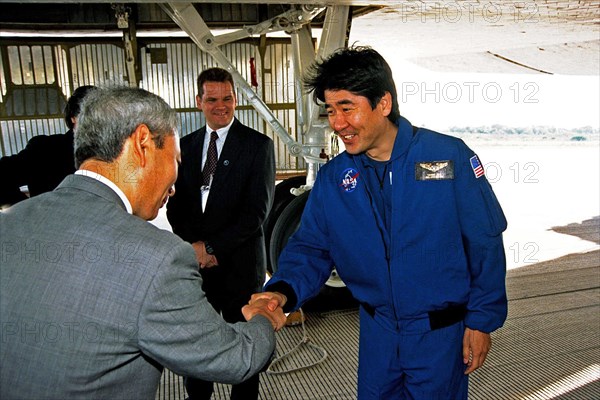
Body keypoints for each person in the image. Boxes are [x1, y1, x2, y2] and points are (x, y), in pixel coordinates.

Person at [252, 46, 508, 399]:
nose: (337, 123)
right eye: (330, 111)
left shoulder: (449, 158)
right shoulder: (334, 178)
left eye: (347, 108)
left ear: (383, 104)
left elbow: (484, 243)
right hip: (378, 334)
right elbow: (311, 248)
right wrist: (282, 292)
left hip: (439, 336)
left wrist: (481, 321)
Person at [0, 86, 286, 400]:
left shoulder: (8, 224)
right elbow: (237, 359)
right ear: (142, 143)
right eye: (175, 159)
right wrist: (263, 317)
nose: (175, 187)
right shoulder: (157, 257)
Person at [166, 67, 276, 400]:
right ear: (198, 101)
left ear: (235, 98)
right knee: (197, 343)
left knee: (244, 345)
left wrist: (212, 247)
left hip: (239, 267)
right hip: (197, 268)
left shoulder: (258, 146)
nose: (221, 106)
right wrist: (195, 248)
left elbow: (256, 212)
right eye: (212, 99)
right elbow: (175, 205)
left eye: (227, 98)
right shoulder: (184, 146)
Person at [0, 85, 96, 206]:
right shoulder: (45, 149)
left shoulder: (116, 151)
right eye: (91, 114)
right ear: (73, 118)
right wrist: (25, 209)